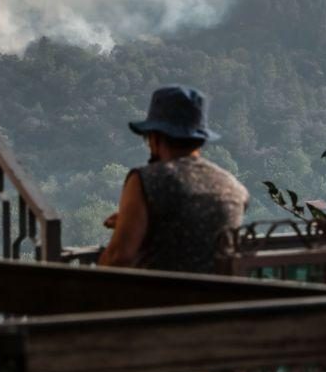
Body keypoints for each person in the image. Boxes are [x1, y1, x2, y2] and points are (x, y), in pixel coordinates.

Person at [98, 85, 249, 274]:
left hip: (165, 299)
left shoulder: (146, 180)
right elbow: (194, 232)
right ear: (200, 139)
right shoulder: (234, 187)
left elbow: (118, 257)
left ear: (154, 137)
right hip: (222, 299)